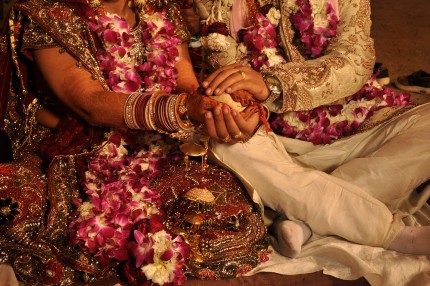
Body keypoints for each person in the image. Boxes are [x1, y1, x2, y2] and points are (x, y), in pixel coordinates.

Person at [0, 0, 268, 284]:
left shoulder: (160, 7)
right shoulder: (49, 10)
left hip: (151, 146)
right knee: (19, 206)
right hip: (73, 150)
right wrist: (184, 108)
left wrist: (225, 105)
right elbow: (89, 103)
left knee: (225, 213)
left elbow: (184, 83)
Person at [190, 0, 430, 258]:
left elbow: (355, 62)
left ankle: (304, 220)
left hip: (361, 127)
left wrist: (274, 84)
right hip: (276, 145)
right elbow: (219, 81)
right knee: (223, 136)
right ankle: (390, 234)